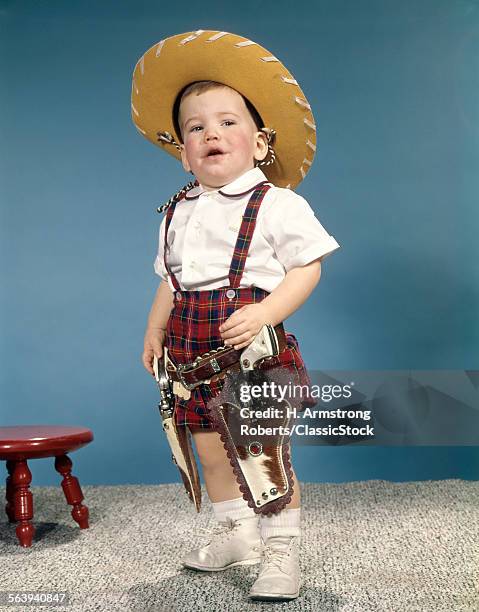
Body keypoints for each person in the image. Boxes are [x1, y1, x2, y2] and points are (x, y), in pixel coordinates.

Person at [133, 30, 340, 601]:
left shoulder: (277, 203)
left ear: (260, 141)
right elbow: (170, 282)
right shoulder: (177, 211)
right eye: (195, 128)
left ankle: (281, 550)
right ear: (183, 151)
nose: (211, 135)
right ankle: (237, 533)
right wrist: (154, 329)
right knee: (206, 445)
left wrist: (266, 310)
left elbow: (308, 267)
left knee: (261, 450)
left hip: (251, 350)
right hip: (188, 353)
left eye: (227, 122)